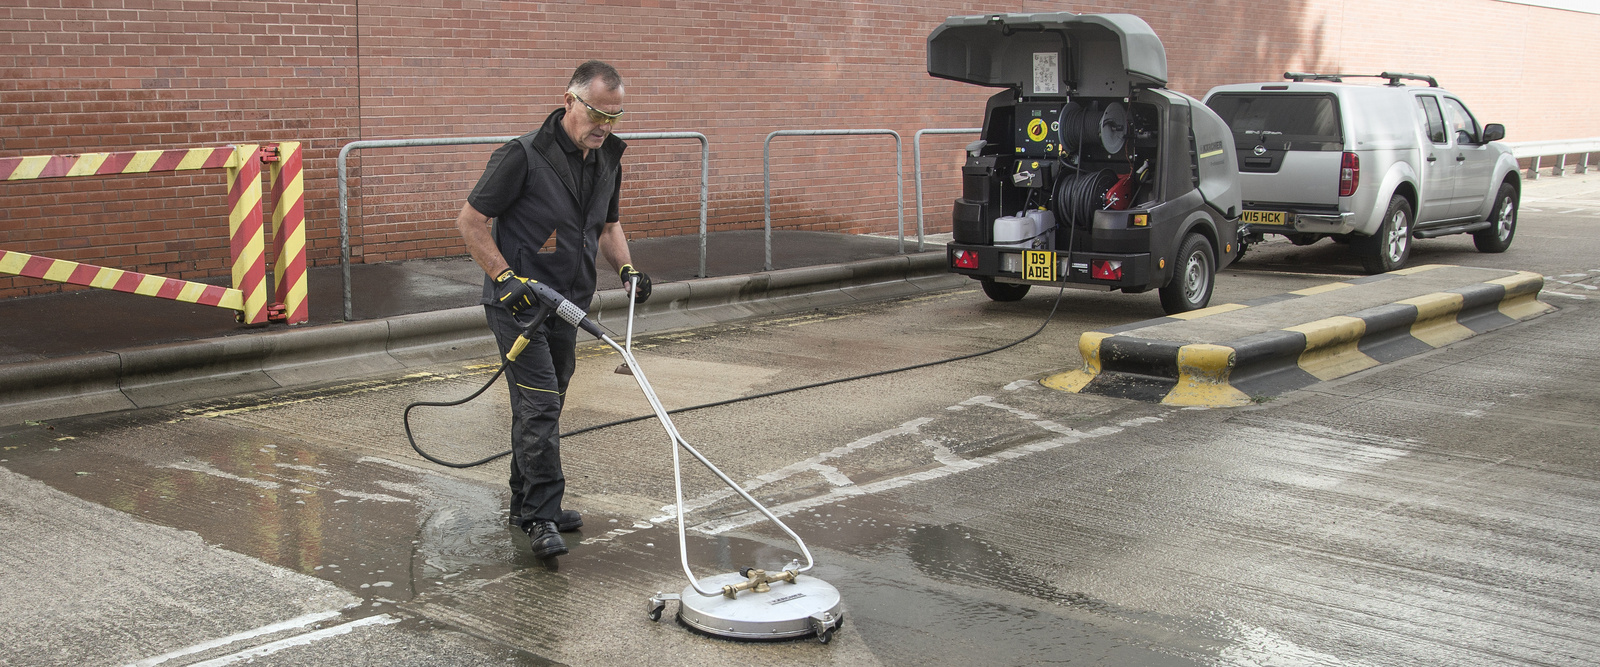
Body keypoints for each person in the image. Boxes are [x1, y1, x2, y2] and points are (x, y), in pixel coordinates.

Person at [454, 60, 652, 561]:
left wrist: (627, 270)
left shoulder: (607, 157)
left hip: (569, 305)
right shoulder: (521, 156)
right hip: (519, 304)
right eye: (597, 115)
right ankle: (542, 514)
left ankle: (527, 500)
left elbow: (608, 227)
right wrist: (503, 278)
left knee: (545, 404)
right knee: (540, 404)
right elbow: (471, 222)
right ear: (570, 101)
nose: (604, 127)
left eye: (615, 117)